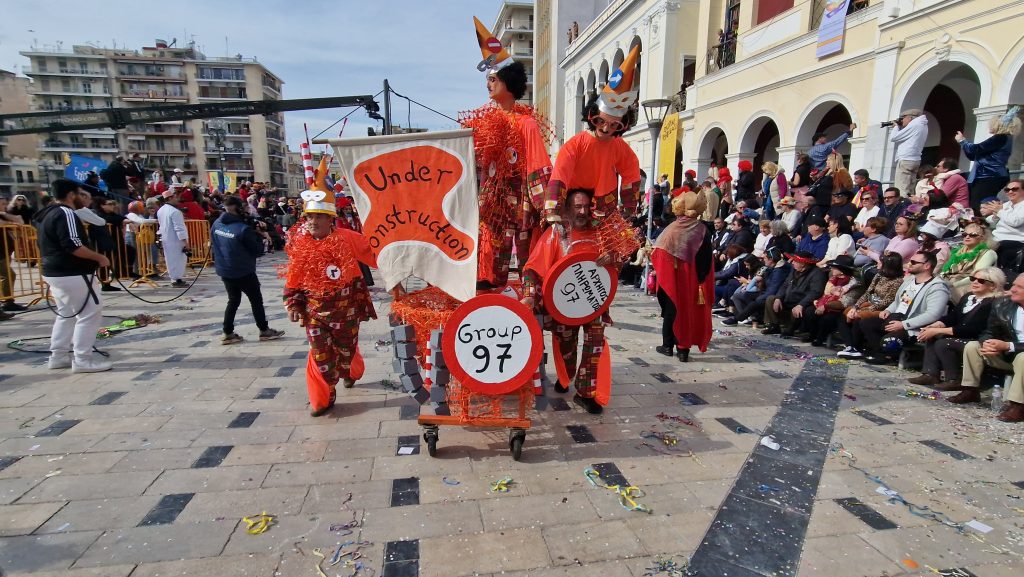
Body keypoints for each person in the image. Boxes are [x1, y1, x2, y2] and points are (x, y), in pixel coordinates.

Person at [284, 160, 378, 416]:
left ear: (330, 219)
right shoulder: (300, 243)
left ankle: (351, 369)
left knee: (345, 350)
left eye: (318, 217)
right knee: (320, 354)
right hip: (315, 312)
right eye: (309, 216)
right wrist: (292, 302)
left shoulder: (347, 238)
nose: (312, 221)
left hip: (346, 310)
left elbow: (376, 252)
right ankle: (322, 399)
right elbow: (293, 276)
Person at [523, 189, 617, 414]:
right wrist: (529, 294)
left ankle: (586, 393)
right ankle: (566, 377)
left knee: (595, 342)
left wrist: (613, 259)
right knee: (567, 345)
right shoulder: (557, 233)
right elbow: (532, 267)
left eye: (586, 206)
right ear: (567, 208)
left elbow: (616, 264)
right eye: (577, 207)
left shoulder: (600, 233)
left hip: (594, 301)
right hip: (563, 303)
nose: (583, 211)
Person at [543, 46, 640, 225]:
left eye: (613, 125)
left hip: (604, 208)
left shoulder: (619, 146)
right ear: (592, 116)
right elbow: (560, 173)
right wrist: (553, 209)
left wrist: (629, 207)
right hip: (575, 205)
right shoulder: (577, 143)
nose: (605, 128)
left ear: (622, 125)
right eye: (601, 121)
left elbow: (631, 171)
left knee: (604, 250)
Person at [32, 179, 112, 373]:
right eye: (80, 194)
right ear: (71, 195)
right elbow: (74, 245)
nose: (82, 198)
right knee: (90, 312)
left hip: (54, 271)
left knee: (66, 313)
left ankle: (58, 356)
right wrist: (100, 258)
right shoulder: (66, 213)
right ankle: (82, 359)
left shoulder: (46, 213)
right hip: (72, 272)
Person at [909, 266, 1003, 390]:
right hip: (962, 333)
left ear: (993, 285)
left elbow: (972, 328)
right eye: (973, 278)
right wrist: (936, 325)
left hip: (978, 339)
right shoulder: (968, 297)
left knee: (944, 343)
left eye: (981, 281)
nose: (975, 282)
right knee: (932, 335)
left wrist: (937, 331)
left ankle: (954, 379)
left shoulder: (994, 302)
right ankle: (930, 373)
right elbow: (952, 317)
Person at [947, 272, 1024, 422]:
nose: (1012, 289)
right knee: (973, 346)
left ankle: (1018, 406)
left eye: (1019, 287)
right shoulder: (1002, 304)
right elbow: (988, 331)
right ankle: (970, 390)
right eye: (1013, 284)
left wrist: (1008, 346)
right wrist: (988, 343)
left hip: (1018, 353)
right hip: (1005, 353)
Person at [211, 195, 284, 345]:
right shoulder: (243, 230)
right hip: (243, 270)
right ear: (237, 209)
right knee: (256, 300)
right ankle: (264, 330)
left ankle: (228, 332)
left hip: (225, 269)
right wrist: (261, 235)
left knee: (233, 300)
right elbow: (257, 251)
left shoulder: (217, 224)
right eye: (243, 208)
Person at [652, 188, 714, 362]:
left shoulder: (671, 229)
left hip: (673, 278)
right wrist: (701, 278)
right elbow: (706, 258)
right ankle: (683, 350)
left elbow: (659, 253)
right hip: (693, 279)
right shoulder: (702, 230)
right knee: (688, 312)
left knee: (672, 311)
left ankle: (667, 346)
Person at [857, 250, 950, 365]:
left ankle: (888, 354)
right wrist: (888, 310)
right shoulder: (909, 281)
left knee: (890, 341)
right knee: (866, 323)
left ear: (927, 266)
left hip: (913, 327)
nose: (909, 264)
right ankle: (882, 354)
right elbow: (898, 301)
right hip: (896, 318)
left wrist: (904, 325)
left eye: (914, 262)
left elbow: (932, 314)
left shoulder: (937, 287)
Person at [836, 253, 906, 358]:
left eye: (879, 262)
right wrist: (856, 306)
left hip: (883, 309)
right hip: (870, 304)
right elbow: (868, 293)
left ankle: (856, 346)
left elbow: (888, 301)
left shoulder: (899, 281)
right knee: (846, 314)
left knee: (859, 317)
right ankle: (850, 346)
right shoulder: (879, 276)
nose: (876, 264)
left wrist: (865, 309)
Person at [957, 107, 1020, 212]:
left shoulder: (1001, 137)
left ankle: (980, 224)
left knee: (979, 205)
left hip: (989, 176)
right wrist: (964, 144)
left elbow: (976, 149)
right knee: (977, 204)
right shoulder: (1004, 139)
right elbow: (973, 155)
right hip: (989, 176)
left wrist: (962, 141)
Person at [761, 251, 828, 337]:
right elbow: (784, 285)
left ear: (803, 264)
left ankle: (792, 329)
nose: (792, 262)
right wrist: (778, 297)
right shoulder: (794, 271)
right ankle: (774, 326)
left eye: (795, 261)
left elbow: (815, 292)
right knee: (771, 299)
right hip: (788, 299)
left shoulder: (817, 274)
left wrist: (801, 304)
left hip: (802, 301)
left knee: (801, 309)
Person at [723, 246, 790, 327]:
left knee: (755, 302)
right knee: (745, 295)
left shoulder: (779, 272)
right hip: (766, 291)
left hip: (774, 295)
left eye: (765, 258)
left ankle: (737, 319)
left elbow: (773, 289)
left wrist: (759, 297)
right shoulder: (770, 268)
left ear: (771, 260)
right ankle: (754, 318)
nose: (763, 260)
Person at [802, 255, 859, 345]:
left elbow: (845, 303)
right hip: (826, 302)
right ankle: (813, 335)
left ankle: (820, 338)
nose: (831, 269)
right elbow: (826, 293)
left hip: (840, 309)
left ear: (841, 270)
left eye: (834, 267)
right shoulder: (833, 279)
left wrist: (825, 306)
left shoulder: (853, 284)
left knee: (828, 318)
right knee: (809, 311)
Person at [939, 221, 997, 302]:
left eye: (973, 235)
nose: (967, 237)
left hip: (969, 286)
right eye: (964, 234)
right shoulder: (957, 252)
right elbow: (945, 270)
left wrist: (952, 285)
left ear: (982, 238)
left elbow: (976, 276)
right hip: (949, 283)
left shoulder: (988, 253)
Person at [981, 179, 1024, 278]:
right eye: (1007, 190)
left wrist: (999, 211)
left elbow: (1015, 222)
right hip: (996, 239)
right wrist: (996, 215)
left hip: (1014, 241)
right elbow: (989, 220)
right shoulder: (1006, 205)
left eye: (1015, 189)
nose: (1010, 192)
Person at [889, 109, 929, 200]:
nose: (901, 120)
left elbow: (894, 137)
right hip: (915, 159)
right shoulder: (923, 124)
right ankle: (910, 207)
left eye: (903, 118)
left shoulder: (915, 124)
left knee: (901, 188)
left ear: (910, 117)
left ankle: (903, 207)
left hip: (906, 159)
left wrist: (896, 127)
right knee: (910, 189)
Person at [156, 189, 190, 288]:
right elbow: (179, 228)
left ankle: (174, 278)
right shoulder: (175, 212)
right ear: (170, 198)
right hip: (176, 239)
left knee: (170, 259)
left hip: (166, 238)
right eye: (175, 197)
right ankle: (177, 279)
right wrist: (185, 242)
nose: (177, 199)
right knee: (179, 260)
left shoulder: (161, 210)